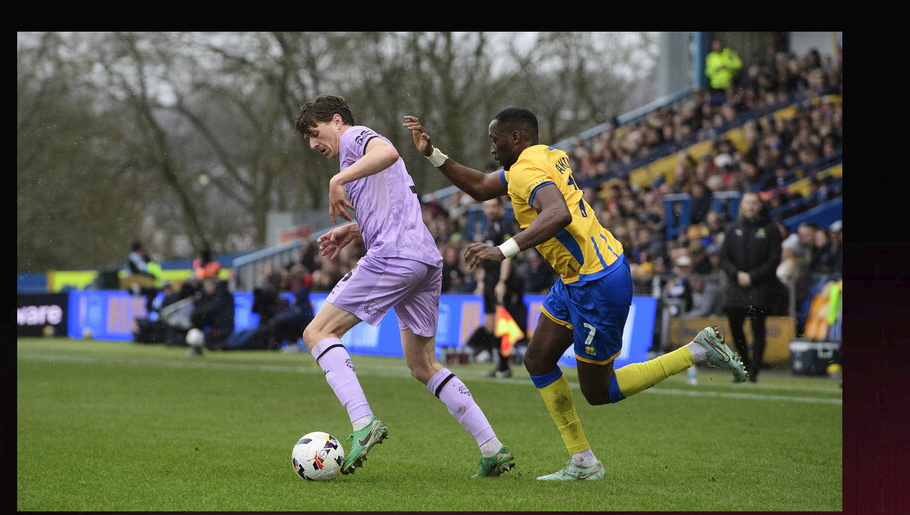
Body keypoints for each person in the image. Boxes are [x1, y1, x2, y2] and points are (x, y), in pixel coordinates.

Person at [404, 109, 747, 481]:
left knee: (599, 391)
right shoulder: (544, 156)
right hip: (577, 278)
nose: (491, 148)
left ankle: (697, 351)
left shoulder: (526, 170)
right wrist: (433, 154)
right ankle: (583, 462)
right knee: (538, 361)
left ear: (515, 138)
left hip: (598, 281)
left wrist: (502, 250)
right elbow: (481, 186)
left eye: (494, 140)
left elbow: (558, 214)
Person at [293, 94, 514, 478]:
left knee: (318, 332)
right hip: (424, 260)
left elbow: (389, 151)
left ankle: (363, 422)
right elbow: (394, 206)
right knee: (422, 364)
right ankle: (493, 448)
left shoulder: (355, 138)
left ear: (337, 121)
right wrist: (354, 229)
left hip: (394, 257)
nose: (314, 145)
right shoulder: (357, 161)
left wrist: (337, 179)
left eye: (315, 133)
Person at [718, 191, 783, 383]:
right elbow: (723, 258)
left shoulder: (770, 229)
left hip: (761, 287)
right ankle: (744, 365)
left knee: (758, 328)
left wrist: (753, 276)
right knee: (735, 327)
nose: (751, 206)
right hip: (736, 286)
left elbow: (774, 259)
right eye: (747, 202)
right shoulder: (733, 228)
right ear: (742, 205)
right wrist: (737, 273)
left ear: (760, 205)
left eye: (754, 202)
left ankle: (754, 371)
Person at [466, 196, 525, 378]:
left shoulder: (504, 226)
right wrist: (482, 281)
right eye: (487, 206)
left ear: (500, 207)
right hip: (489, 281)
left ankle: (504, 366)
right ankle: (499, 363)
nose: (489, 210)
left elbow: (508, 256)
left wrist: (503, 282)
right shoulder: (489, 228)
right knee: (490, 326)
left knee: (502, 324)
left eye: (493, 206)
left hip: (501, 281)